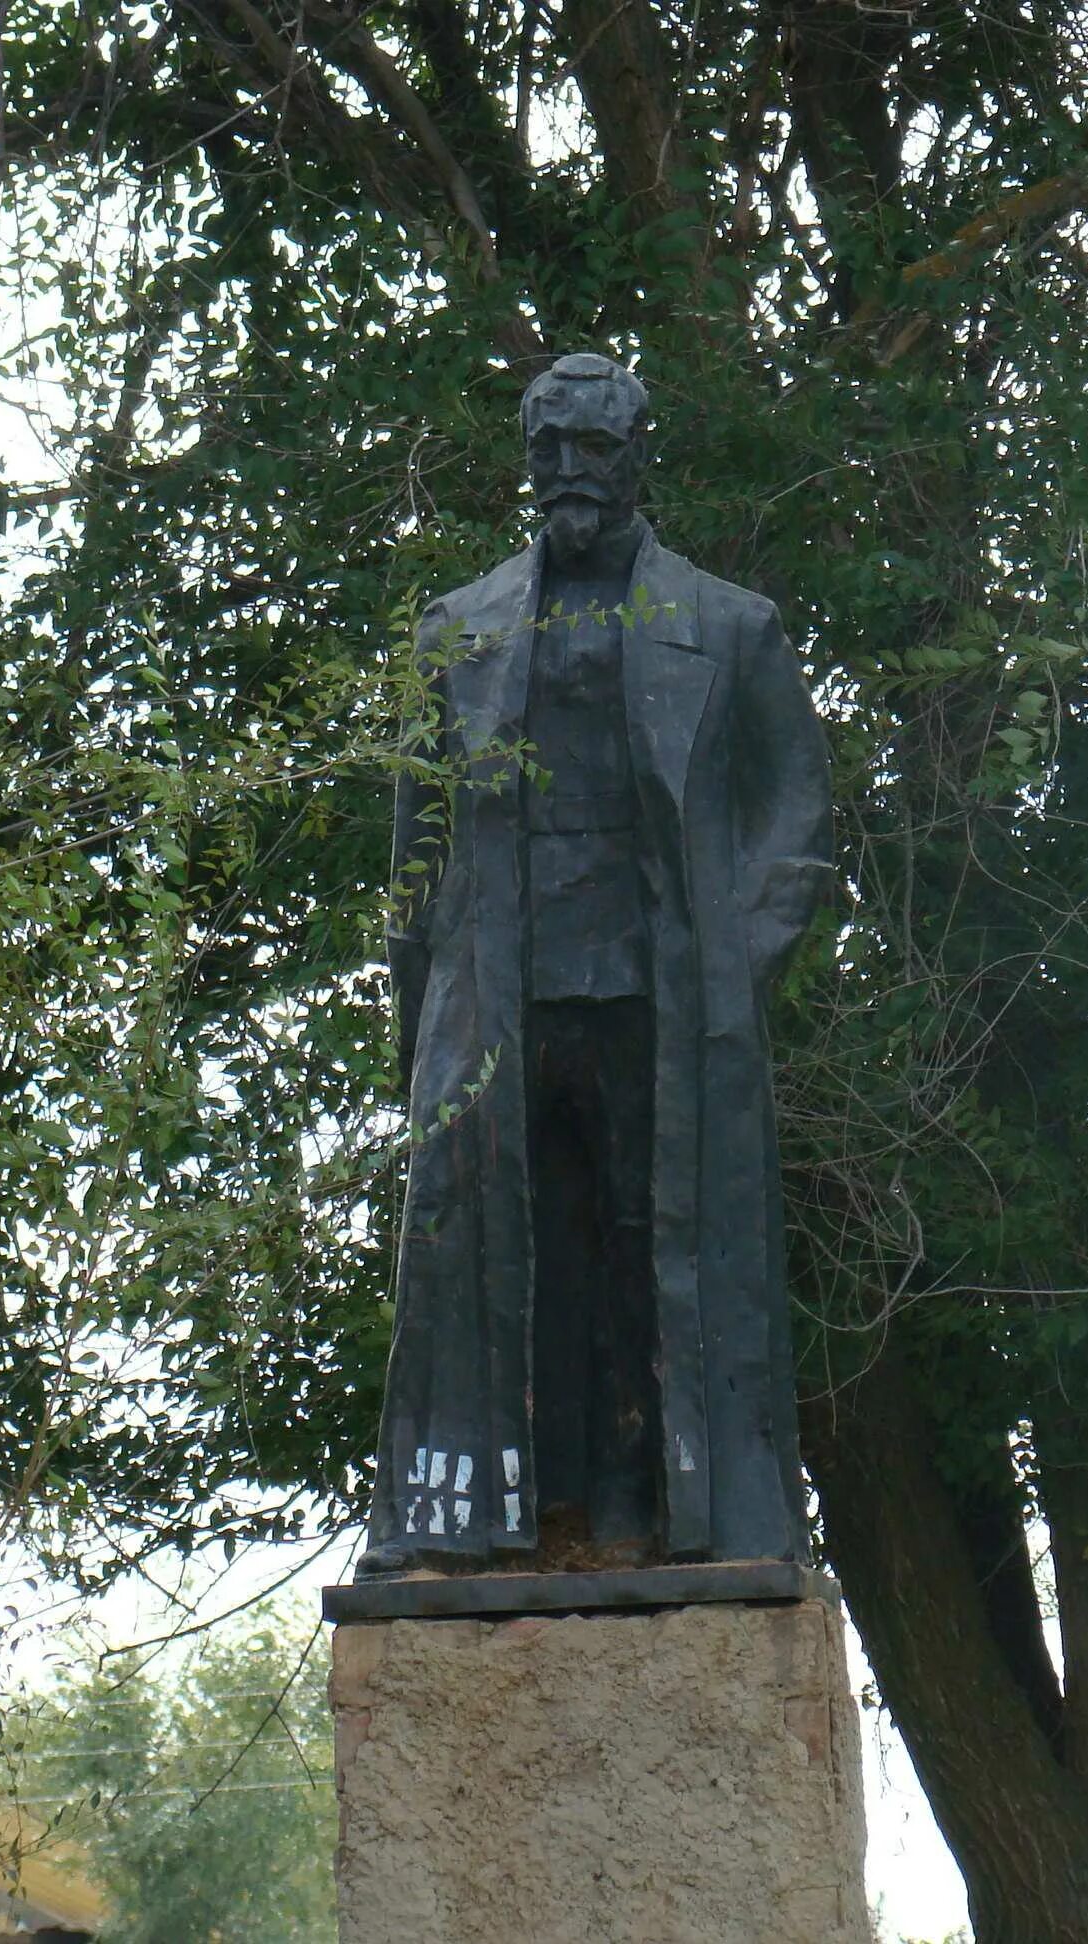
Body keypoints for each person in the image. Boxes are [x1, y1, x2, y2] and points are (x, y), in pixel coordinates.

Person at [359, 352, 832, 1578]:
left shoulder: (731, 626)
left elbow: (794, 818)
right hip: (499, 995)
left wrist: (739, 953)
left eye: (594, 450)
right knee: (510, 1260)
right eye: (549, 448)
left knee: (654, 1253)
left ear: (637, 457)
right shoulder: (455, 632)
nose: (569, 473)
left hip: (661, 997)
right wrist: (420, 1008)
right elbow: (414, 854)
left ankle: (659, 1516)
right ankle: (497, 1521)